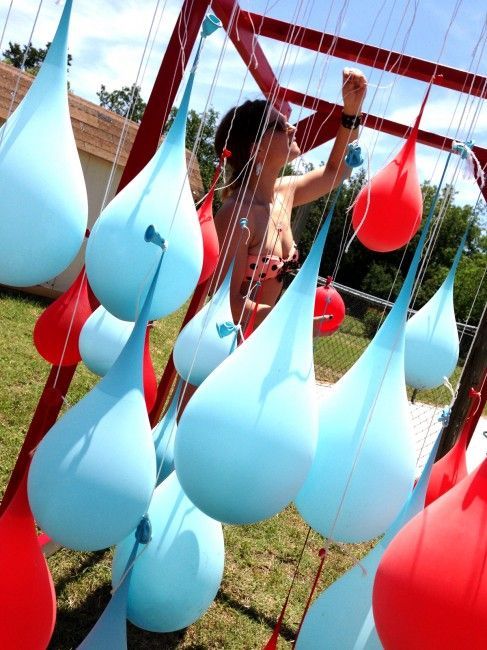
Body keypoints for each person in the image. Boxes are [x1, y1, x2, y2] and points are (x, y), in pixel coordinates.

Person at [213, 67, 367, 335]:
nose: (292, 127)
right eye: (279, 125)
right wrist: (293, 325)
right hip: (222, 348)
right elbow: (226, 303)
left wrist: (352, 112)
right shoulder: (236, 213)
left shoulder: (284, 192)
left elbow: (336, 172)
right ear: (256, 148)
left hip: (259, 344)